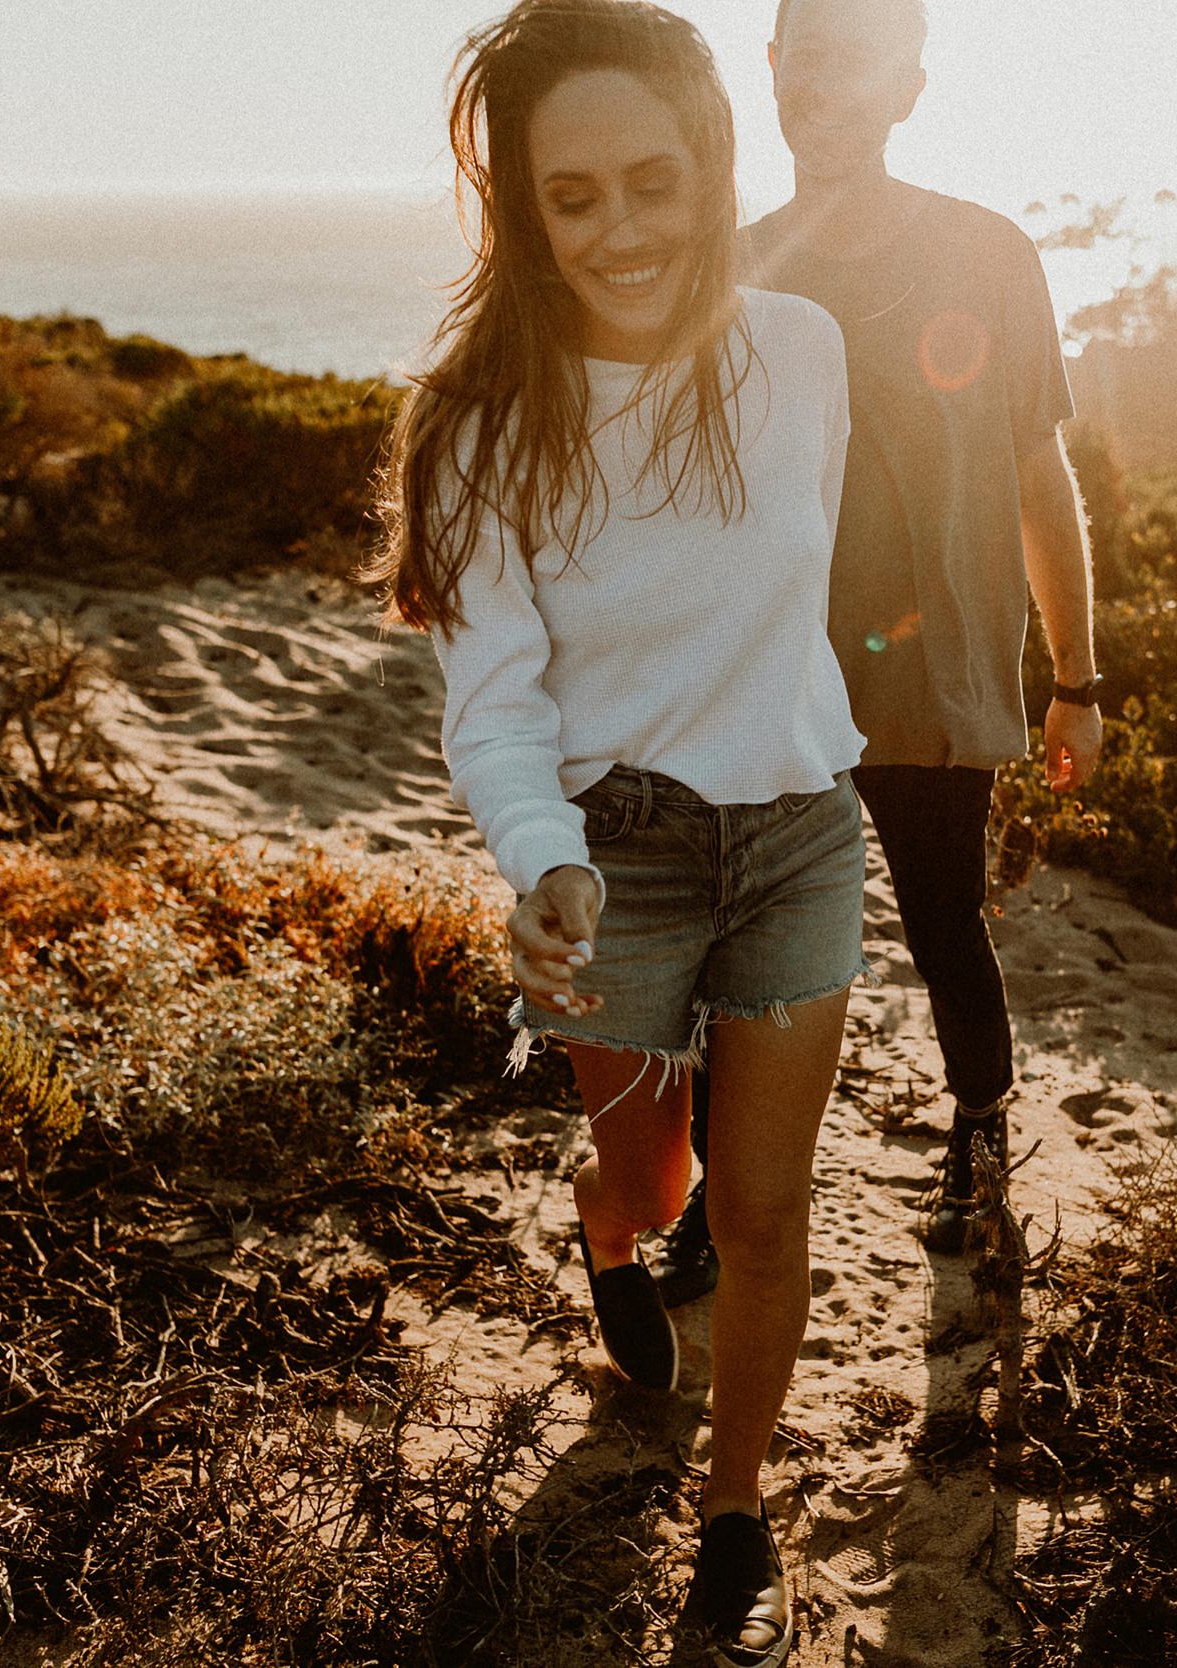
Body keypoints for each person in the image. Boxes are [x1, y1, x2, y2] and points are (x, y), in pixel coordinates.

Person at [371, 4, 864, 1661]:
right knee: (654, 1186)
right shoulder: (482, 425)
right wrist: (547, 857)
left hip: (799, 835)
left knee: (766, 1216)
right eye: (570, 197)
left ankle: (735, 1514)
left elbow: (791, 599)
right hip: (614, 862)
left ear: (716, 168)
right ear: (521, 207)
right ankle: (600, 1232)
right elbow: (494, 705)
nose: (619, 229)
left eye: (651, 181)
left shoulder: (803, 353)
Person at [650, 0, 1100, 1304]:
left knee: (943, 920)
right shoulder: (725, 266)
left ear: (908, 87)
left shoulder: (986, 252)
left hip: (933, 673)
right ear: (773, 77)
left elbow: (1039, 470)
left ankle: (978, 1139)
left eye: (857, 64)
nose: (826, 89)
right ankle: (718, 1207)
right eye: (805, 62)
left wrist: (1077, 679)